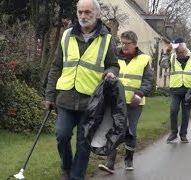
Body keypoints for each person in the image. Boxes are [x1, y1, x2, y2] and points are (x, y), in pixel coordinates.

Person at [44, 0, 120, 179]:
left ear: (97, 14)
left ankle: (76, 176)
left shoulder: (107, 39)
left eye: (88, 12)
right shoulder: (66, 35)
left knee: (83, 143)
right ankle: (66, 168)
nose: (83, 16)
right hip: (65, 98)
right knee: (62, 136)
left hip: (91, 101)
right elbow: (56, 66)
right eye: (80, 12)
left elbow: (114, 65)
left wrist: (110, 73)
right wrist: (49, 95)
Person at [98, 30, 153, 173]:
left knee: (130, 131)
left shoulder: (144, 59)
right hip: (115, 101)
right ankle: (110, 162)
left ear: (135, 44)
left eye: (127, 43)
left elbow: (148, 80)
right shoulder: (114, 57)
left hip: (134, 102)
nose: (123, 46)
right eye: (121, 42)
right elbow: (105, 73)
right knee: (112, 128)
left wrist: (140, 93)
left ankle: (128, 159)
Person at [160, 37, 191, 144]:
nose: (178, 55)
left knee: (185, 114)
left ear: (185, 50)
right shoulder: (172, 57)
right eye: (176, 52)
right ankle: (173, 133)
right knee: (173, 111)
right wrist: (166, 53)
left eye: (180, 52)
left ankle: (183, 135)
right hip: (175, 90)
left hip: (189, 91)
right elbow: (163, 65)